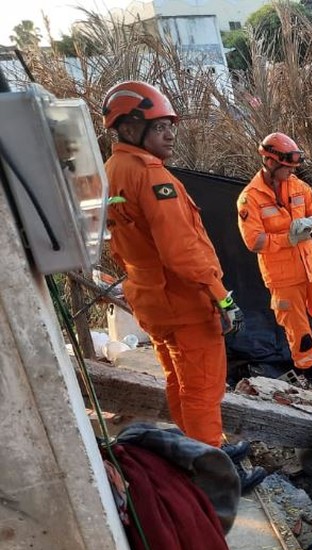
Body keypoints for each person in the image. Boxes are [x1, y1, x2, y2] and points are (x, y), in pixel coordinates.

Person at [102, 80, 241, 449]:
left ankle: (195, 455)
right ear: (130, 128)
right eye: (159, 127)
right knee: (202, 389)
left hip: (152, 301)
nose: (169, 135)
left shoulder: (113, 170)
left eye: (170, 127)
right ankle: (212, 471)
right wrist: (220, 296)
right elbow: (182, 251)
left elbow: (119, 244)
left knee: (179, 383)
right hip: (185, 303)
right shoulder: (151, 176)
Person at [237, 132, 312, 387]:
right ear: (270, 161)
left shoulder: (298, 186)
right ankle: (309, 374)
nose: (290, 172)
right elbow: (254, 241)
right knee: (298, 330)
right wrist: (288, 238)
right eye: (286, 167)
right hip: (282, 276)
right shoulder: (250, 198)